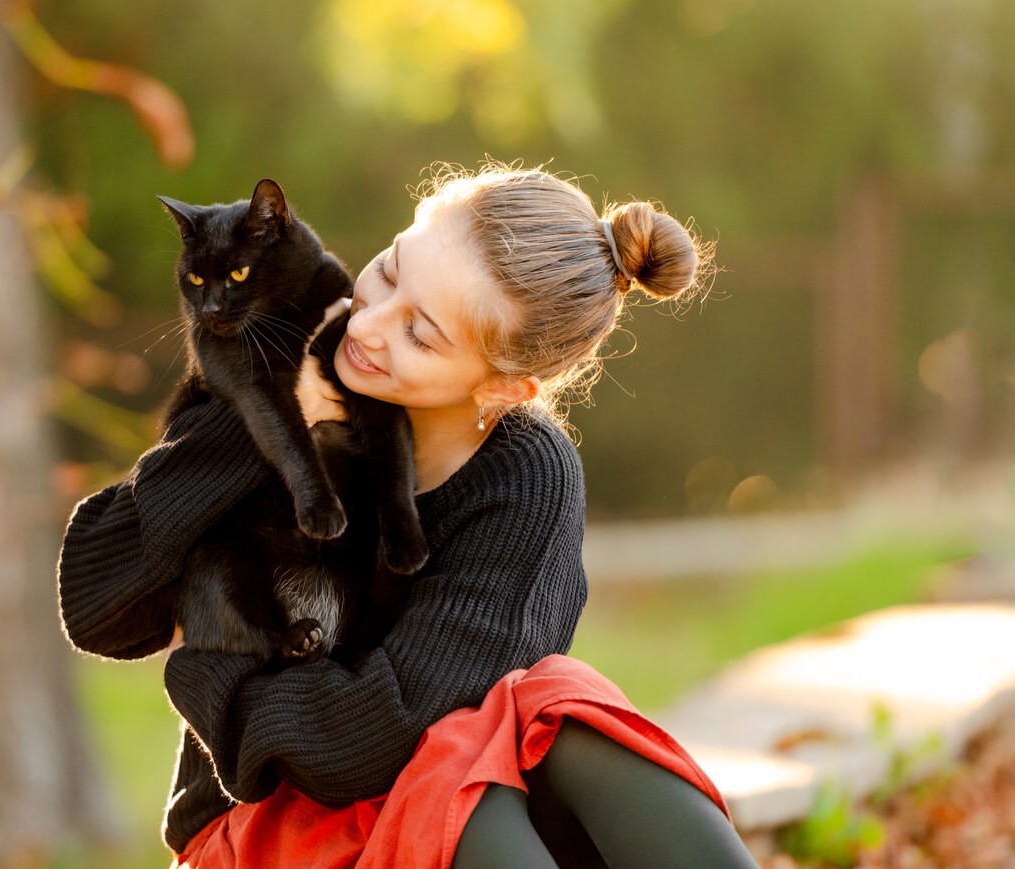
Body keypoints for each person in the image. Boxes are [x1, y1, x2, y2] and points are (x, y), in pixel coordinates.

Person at [57, 161, 758, 868]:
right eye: (389, 271)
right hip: (260, 825)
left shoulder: (523, 479)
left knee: (555, 709)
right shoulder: (269, 362)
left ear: (505, 387)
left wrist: (215, 681)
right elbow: (98, 606)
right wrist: (271, 425)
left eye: (421, 335)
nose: (367, 324)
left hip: (423, 798)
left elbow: (382, 736)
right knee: (468, 778)